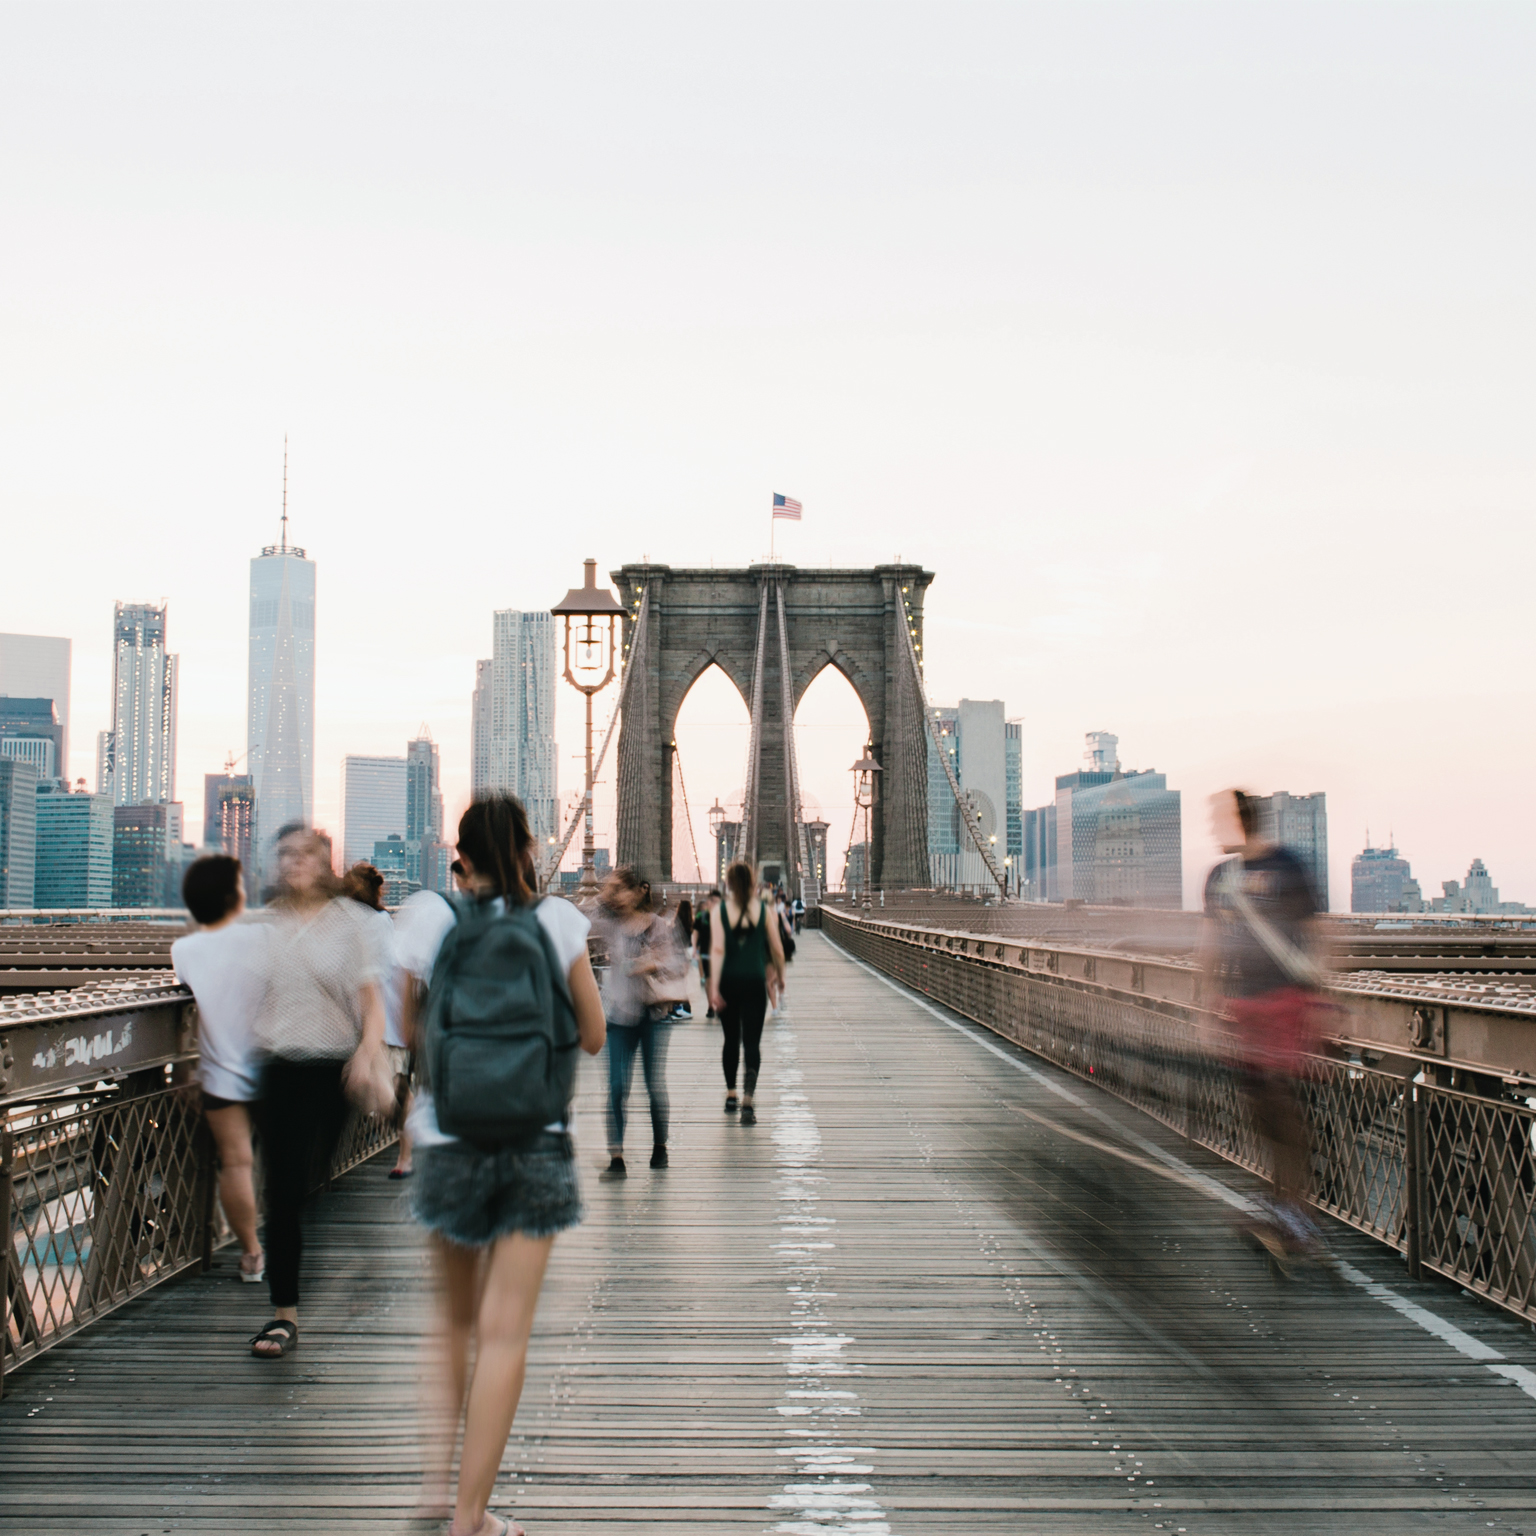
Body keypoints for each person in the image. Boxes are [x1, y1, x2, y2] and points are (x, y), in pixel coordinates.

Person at [397, 794, 606, 1536]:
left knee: (451, 1321)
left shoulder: (427, 917)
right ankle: (470, 1516)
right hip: (535, 1139)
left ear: (461, 854)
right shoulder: (558, 922)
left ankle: (432, 1488)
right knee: (505, 1328)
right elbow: (590, 1035)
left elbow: (406, 1029)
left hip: (447, 1137)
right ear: (525, 848)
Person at [249, 824, 391, 1359]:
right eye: (284, 854)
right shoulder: (263, 925)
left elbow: (372, 1003)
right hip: (274, 1065)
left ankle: (293, 1263)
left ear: (326, 863)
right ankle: (284, 1314)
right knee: (282, 1191)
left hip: (331, 1069)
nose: (293, 862)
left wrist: (366, 1052)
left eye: (305, 854)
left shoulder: (351, 926)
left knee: (306, 1181)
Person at [1201, 788, 1327, 1264]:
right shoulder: (1219, 876)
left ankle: (1296, 1211)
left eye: (1220, 819)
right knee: (1260, 1107)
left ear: (1242, 820)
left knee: (1279, 1102)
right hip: (1243, 1005)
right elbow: (1210, 941)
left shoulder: (1287, 866)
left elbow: (1316, 932)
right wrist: (1207, 1003)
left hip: (1286, 1000)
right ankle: (1281, 1206)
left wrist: (1322, 998)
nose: (1214, 828)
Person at [171, 854, 268, 1284]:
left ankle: (251, 1254)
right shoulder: (263, 936)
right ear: (234, 897)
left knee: (236, 1162)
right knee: (281, 1160)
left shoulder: (183, 950)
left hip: (221, 1073)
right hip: (273, 1067)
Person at [591, 868, 676, 1176]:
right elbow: (580, 922)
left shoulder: (655, 925)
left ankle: (660, 1148)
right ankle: (616, 1157)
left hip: (652, 1015)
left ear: (638, 891)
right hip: (619, 1016)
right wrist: (603, 895)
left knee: (654, 1085)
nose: (615, 894)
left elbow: (674, 962)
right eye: (611, 889)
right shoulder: (608, 925)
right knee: (615, 1086)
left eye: (619, 888)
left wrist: (649, 963)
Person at [343, 862, 415, 1179]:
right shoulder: (383, 920)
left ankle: (391, 1139)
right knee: (393, 1083)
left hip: (370, 1018)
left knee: (384, 1084)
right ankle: (404, 1151)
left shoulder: (353, 923)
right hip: (388, 1015)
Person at [708, 860, 787, 1126]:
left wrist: (713, 987)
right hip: (754, 984)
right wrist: (781, 978)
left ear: (728, 884)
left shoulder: (720, 911)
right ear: (753, 883)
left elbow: (717, 951)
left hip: (728, 983)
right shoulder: (764, 911)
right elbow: (776, 949)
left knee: (731, 1040)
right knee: (751, 1043)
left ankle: (731, 1094)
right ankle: (748, 1101)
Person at [694, 890, 720, 1019]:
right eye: (713, 901)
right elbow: (696, 931)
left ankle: (719, 1004)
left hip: (721, 954)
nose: (714, 904)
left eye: (717, 902)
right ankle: (711, 1006)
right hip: (706, 953)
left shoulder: (724, 917)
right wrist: (694, 947)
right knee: (709, 980)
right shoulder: (702, 916)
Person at [670, 896, 695, 1019]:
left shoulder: (675, 926)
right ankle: (685, 1008)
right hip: (686, 956)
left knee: (676, 984)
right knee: (682, 984)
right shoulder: (691, 925)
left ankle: (681, 1008)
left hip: (676, 956)